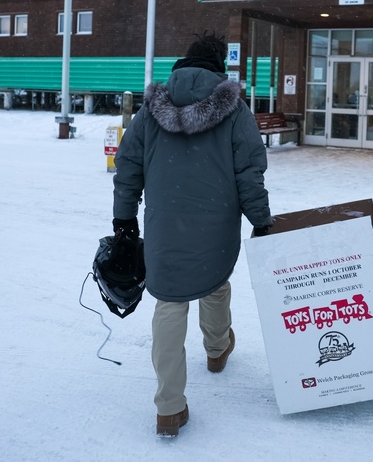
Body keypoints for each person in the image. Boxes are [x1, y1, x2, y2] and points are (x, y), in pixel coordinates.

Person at [112, 32, 274, 438]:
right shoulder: (235, 109)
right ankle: (217, 349)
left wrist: (124, 219)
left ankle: (169, 408)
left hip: (165, 223)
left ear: (183, 63)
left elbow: (128, 164)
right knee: (215, 282)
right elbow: (249, 171)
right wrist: (261, 219)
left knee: (169, 304)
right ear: (219, 67)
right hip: (217, 222)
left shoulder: (151, 108)